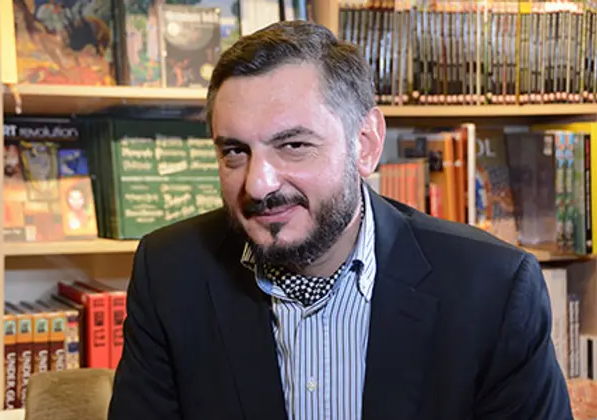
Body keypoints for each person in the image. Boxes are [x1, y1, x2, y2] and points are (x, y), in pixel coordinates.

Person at [107, 20, 572, 420]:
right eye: (235, 151)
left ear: (365, 144)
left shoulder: (494, 288)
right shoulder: (169, 272)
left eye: (293, 145)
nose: (259, 185)